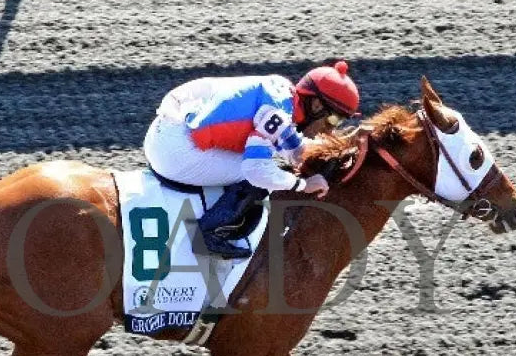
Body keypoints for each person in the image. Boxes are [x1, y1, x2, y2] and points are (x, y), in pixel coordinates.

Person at [143, 61, 360, 259]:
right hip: (173, 151)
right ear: (316, 106)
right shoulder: (277, 113)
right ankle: (209, 233)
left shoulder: (281, 91)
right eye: (334, 119)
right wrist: (303, 185)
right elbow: (257, 171)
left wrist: (347, 142)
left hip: (165, 129)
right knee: (264, 172)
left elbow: (294, 148)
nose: (331, 129)